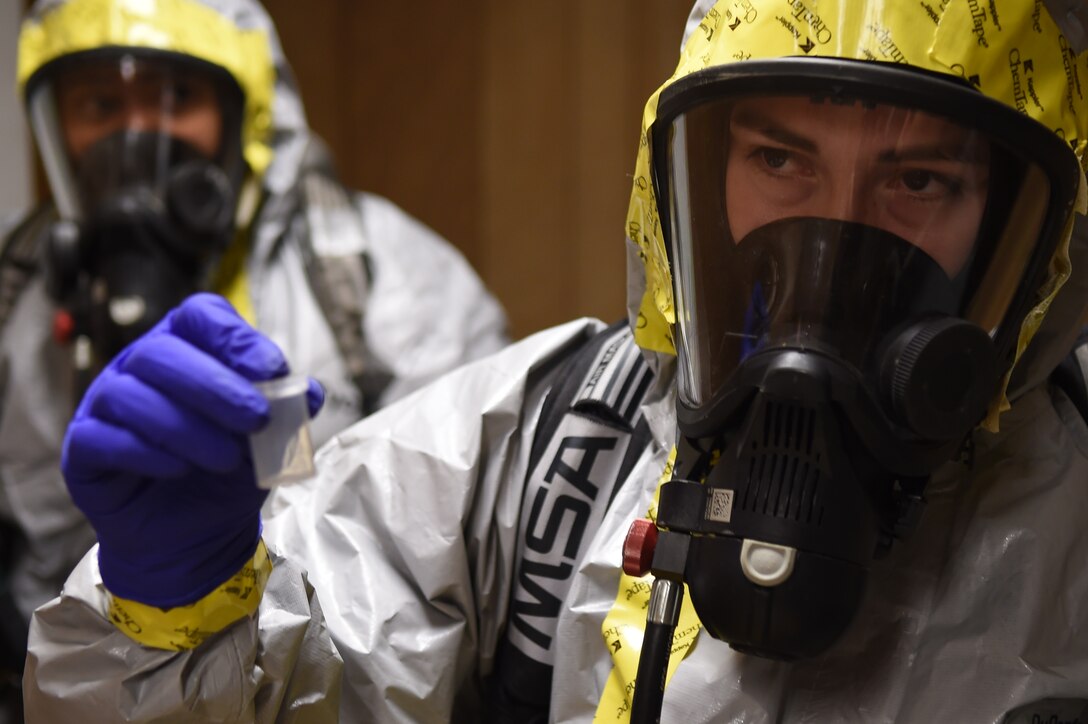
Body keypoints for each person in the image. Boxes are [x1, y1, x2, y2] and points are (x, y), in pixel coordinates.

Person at [24, 0, 1088, 722]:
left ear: (1028, 235)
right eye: (777, 158)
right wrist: (179, 613)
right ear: (690, 180)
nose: (831, 237)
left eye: (918, 184)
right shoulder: (533, 446)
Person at [1, 0, 507, 714]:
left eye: (176, 97)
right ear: (57, 127)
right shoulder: (16, 308)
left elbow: (475, 550)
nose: (136, 135)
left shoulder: (385, 279)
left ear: (247, 116)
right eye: (100, 103)